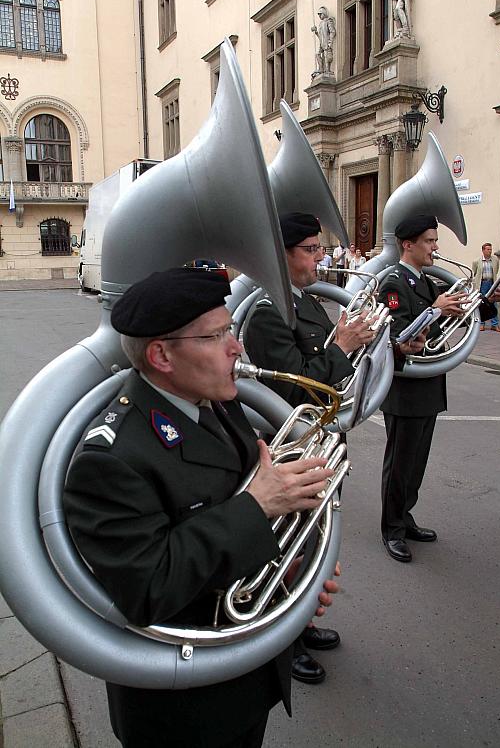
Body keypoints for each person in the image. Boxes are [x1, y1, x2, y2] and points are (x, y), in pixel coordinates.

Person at [64, 267, 339, 748]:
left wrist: (286, 575)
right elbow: (148, 587)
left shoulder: (215, 400)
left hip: (246, 674)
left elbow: (232, 512)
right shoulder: (111, 458)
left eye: (230, 329)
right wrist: (258, 506)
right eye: (216, 336)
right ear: (162, 355)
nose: (237, 347)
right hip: (184, 707)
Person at [244, 212, 376, 683]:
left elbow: (332, 373)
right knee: (290, 548)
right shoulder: (267, 313)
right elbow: (294, 391)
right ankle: (285, 640)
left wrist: (357, 345)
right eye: (310, 250)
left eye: (320, 248)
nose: (320, 258)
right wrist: (342, 346)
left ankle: (304, 622)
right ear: (282, 255)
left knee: (317, 543)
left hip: (322, 442)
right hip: (297, 449)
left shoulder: (306, 302)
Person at [377, 215, 500, 564]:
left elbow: (456, 316)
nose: (436, 247)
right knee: (400, 464)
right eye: (429, 241)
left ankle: (405, 517)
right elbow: (396, 333)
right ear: (408, 244)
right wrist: (434, 309)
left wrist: (487, 301)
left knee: (416, 463)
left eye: (434, 240)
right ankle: (392, 529)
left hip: (429, 384)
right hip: (406, 387)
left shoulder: (425, 281)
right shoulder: (393, 283)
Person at [472, 242, 500, 332]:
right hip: (482, 284)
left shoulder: (495, 260)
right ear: (483, 250)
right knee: (482, 303)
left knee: (494, 303)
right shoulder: (477, 261)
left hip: (492, 283)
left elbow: (496, 270)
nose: (490, 251)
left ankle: (494, 324)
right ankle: (481, 324)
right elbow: (475, 272)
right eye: (488, 249)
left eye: (490, 249)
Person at [311, 6, 336, 77]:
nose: (319, 16)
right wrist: (316, 32)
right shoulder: (320, 24)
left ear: (324, 13)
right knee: (317, 54)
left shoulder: (328, 21)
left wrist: (330, 42)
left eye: (320, 14)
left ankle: (328, 70)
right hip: (321, 42)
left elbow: (332, 31)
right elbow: (320, 36)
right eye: (318, 14)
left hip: (326, 41)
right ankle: (321, 68)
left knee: (326, 55)